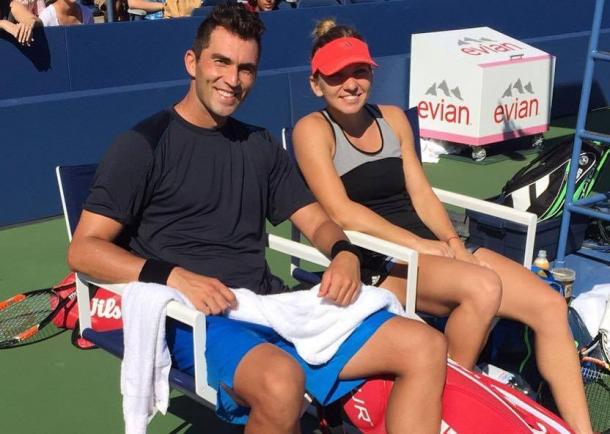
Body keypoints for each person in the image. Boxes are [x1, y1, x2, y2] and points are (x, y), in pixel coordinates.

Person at [67, 5, 447, 433]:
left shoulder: (259, 145)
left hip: (266, 304)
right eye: (221, 62)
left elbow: (317, 220)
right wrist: (173, 277)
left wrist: (343, 253)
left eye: (246, 68)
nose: (233, 79)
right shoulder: (142, 145)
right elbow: (84, 250)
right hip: (195, 318)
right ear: (192, 62)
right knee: (282, 381)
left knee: (425, 345)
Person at [292, 18, 593, 434]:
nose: (350, 83)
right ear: (316, 84)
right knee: (483, 288)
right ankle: (444, 406)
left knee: (550, 306)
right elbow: (342, 212)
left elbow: (421, 193)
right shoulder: (313, 130)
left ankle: (582, 429)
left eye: (359, 72)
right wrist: (419, 246)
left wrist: (450, 241)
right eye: (337, 75)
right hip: (382, 262)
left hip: (432, 250)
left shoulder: (394, 119)